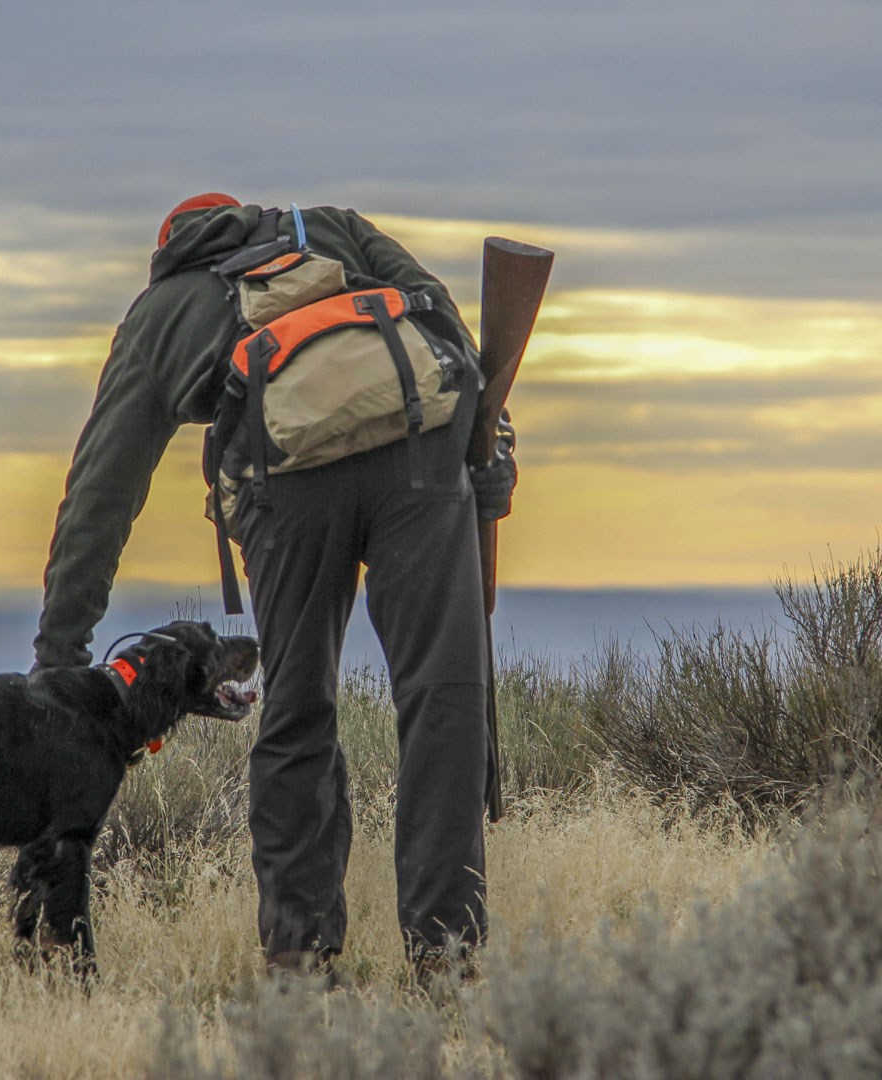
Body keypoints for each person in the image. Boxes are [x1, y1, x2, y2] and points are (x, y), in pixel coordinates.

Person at [32, 193, 515, 981]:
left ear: (170, 249)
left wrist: (58, 658)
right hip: (420, 460)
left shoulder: (158, 314)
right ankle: (448, 959)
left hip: (285, 487)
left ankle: (298, 958)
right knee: (443, 699)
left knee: (297, 705)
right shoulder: (330, 228)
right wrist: (487, 452)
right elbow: (443, 323)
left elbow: (100, 497)